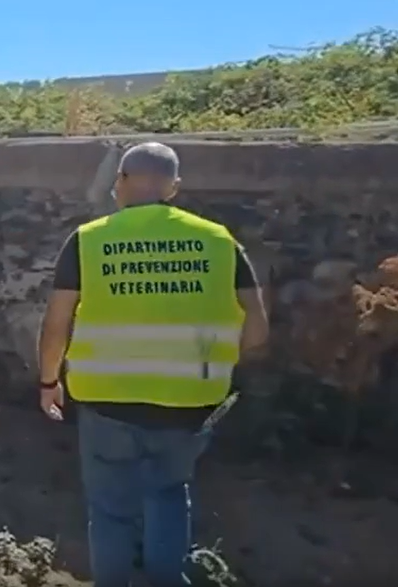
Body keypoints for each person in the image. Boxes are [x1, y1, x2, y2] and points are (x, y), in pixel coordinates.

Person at [35, 142, 269, 587]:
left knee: (109, 507)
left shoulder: (88, 240)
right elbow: (257, 330)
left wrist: (49, 381)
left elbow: (56, 324)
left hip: (104, 401)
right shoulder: (220, 241)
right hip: (189, 401)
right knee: (167, 493)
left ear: (119, 182)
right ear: (174, 188)